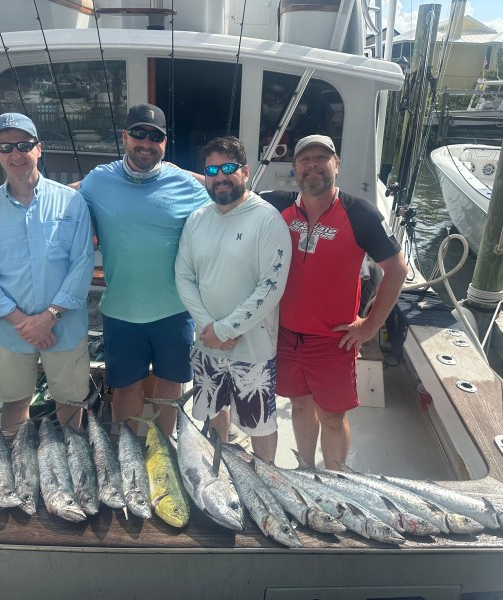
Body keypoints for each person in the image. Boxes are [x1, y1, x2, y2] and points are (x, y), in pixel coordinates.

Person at [261, 135, 409, 469]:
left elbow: (396, 268)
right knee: (299, 404)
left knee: (331, 415)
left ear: (336, 165)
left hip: (333, 339)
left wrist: (371, 325)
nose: (312, 165)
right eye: (304, 159)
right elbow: (230, 188)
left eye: (320, 158)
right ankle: (307, 469)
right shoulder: (277, 205)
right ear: (295, 168)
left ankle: (336, 481)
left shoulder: (361, 214)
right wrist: (176, 170)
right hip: (285, 335)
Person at [77, 103, 211, 435]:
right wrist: (6, 193)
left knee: (170, 385)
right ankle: (129, 454)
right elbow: (60, 197)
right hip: (121, 310)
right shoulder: (98, 180)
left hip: (175, 309)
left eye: (155, 136)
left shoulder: (187, 184)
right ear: (124, 137)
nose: (146, 143)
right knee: (124, 387)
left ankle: (163, 450)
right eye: (138, 133)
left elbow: (230, 201)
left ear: (164, 143)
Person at [0, 113, 94, 430]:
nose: (16, 154)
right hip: (9, 331)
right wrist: (24, 323)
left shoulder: (72, 202)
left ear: (39, 149)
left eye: (24, 145)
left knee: (70, 403)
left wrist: (49, 316)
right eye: (6, 146)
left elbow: (82, 263)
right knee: (13, 405)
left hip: (64, 325)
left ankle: (70, 470)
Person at [175, 136, 292, 462]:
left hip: (253, 349)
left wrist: (225, 330)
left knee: (260, 424)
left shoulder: (267, 219)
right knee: (213, 411)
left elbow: (271, 286)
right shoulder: (197, 219)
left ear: (245, 171)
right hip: (208, 342)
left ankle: (267, 481)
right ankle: (219, 468)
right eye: (212, 169)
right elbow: (183, 277)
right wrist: (208, 326)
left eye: (228, 167)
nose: (220, 176)